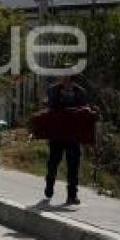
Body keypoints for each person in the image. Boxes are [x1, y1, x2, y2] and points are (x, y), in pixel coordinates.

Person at [45, 75, 89, 205]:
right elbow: (50, 106)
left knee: (73, 165)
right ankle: (49, 185)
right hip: (57, 133)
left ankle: (72, 195)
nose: (65, 79)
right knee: (53, 161)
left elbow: (84, 110)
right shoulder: (53, 90)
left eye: (68, 76)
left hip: (73, 135)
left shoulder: (80, 92)